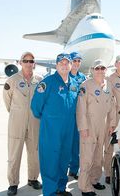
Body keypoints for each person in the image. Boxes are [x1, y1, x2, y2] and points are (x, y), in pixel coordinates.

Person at [31, 53, 79, 196]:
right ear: (56, 65)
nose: (64, 65)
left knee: (64, 158)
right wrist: (50, 119)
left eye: (67, 63)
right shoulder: (47, 83)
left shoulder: (74, 84)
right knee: (50, 159)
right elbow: (36, 107)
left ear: (71, 65)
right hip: (51, 129)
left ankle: (60, 188)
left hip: (68, 128)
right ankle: (50, 191)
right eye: (61, 63)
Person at [3, 52, 43, 195]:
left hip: (34, 122)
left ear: (34, 63)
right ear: (20, 63)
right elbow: (8, 101)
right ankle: (13, 183)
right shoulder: (12, 80)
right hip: (17, 123)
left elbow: (42, 101)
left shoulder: (40, 80)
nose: (28, 63)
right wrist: (17, 113)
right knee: (14, 154)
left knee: (34, 153)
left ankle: (33, 179)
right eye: (25, 60)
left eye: (31, 60)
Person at [76, 59, 116, 196]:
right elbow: (81, 108)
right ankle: (84, 186)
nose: (100, 71)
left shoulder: (108, 86)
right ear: (93, 70)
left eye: (102, 68)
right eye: (97, 68)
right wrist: (83, 127)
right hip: (89, 125)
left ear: (106, 70)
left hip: (103, 125)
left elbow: (112, 106)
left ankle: (93, 179)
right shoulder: (85, 85)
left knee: (98, 154)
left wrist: (112, 124)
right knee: (87, 156)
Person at [103, 55, 120, 184]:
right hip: (114, 116)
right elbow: (109, 101)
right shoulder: (110, 79)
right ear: (115, 64)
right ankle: (108, 173)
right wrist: (112, 121)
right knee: (110, 145)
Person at [68, 52, 86, 180]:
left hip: (79, 115)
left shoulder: (82, 77)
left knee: (76, 143)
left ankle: (74, 169)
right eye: (75, 60)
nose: (77, 63)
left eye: (79, 61)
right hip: (67, 115)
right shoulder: (64, 75)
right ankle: (62, 168)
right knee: (65, 143)